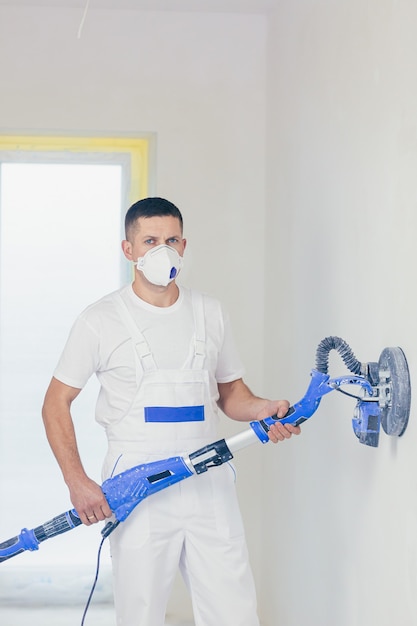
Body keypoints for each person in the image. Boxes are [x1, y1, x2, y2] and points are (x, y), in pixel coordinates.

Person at [42, 197, 300, 626]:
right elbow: (56, 402)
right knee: (141, 612)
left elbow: (231, 395)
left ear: (184, 245)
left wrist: (266, 409)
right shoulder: (100, 320)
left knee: (233, 610)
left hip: (207, 479)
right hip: (138, 485)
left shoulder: (210, 313)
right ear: (129, 250)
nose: (162, 249)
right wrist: (77, 480)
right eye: (150, 240)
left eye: (171, 239)